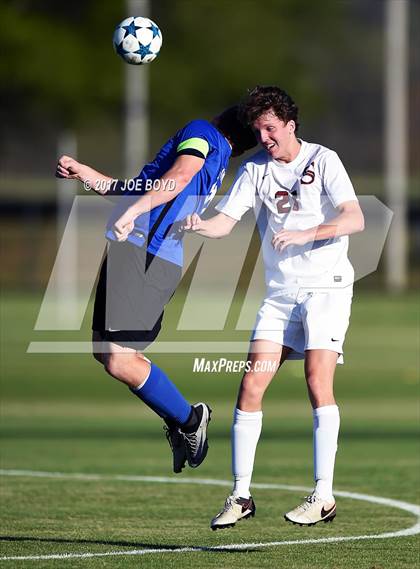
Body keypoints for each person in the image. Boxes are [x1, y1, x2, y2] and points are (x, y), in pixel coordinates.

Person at [183, 86, 364, 528]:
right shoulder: (254, 170)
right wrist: (200, 226)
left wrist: (308, 234)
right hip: (282, 295)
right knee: (250, 386)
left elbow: (355, 218)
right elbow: (227, 222)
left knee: (317, 382)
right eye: (258, 129)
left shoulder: (324, 160)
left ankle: (323, 495)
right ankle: (241, 495)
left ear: (289, 124)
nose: (263, 137)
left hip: (327, 288)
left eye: (270, 127)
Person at [55, 107, 256, 474]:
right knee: (105, 353)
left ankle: (190, 420)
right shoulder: (218, 153)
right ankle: (181, 421)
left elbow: (178, 177)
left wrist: (133, 214)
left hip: (147, 251)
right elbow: (141, 188)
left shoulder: (202, 133)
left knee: (119, 359)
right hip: (135, 248)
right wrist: (88, 176)